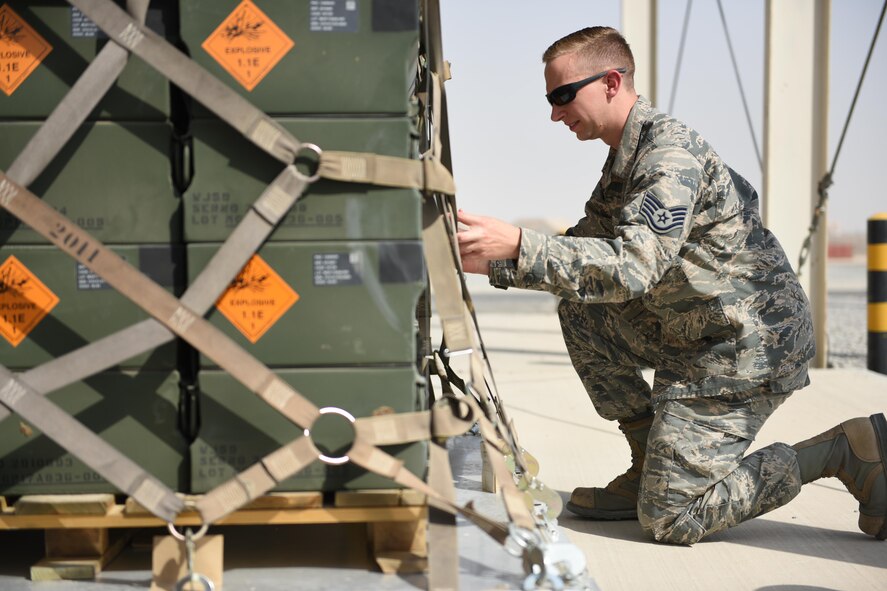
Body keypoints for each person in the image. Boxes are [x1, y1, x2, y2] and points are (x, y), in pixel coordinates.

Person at [456, 26, 886, 545]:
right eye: (550, 99)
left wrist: (520, 244)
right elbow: (587, 254)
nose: (555, 112)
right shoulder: (625, 159)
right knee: (580, 306)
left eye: (563, 95)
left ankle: (843, 450)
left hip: (747, 346)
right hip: (693, 329)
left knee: (669, 518)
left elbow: (632, 267)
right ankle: (646, 466)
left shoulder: (668, 156)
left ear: (611, 82)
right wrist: (489, 262)